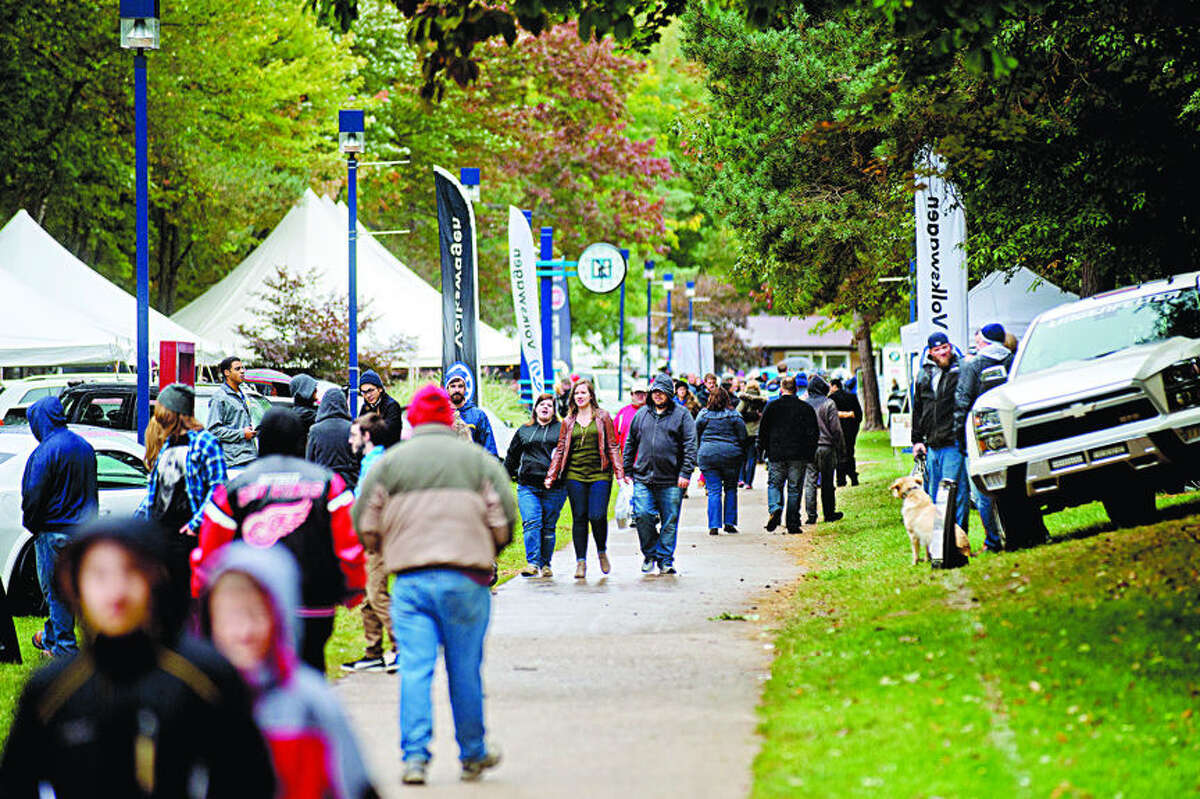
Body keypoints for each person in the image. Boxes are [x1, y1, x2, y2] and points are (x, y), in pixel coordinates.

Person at [0, 518, 276, 798]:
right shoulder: (52, 688)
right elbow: (17, 782)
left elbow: (249, 779)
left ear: (156, 580)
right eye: (99, 576)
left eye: (131, 572)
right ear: (74, 586)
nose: (116, 593)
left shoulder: (205, 677)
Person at [352, 384, 515, 785]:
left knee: (415, 668)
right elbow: (504, 520)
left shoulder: (389, 464)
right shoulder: (478, 461)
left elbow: (365, 522)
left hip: (410, 580)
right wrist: (487, 547)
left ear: (413, 420)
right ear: (448, 417)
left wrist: (387, 548)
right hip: (466, 579)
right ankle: (473, 752)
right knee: (465, 669)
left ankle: (414, 757)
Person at [200, 543, 379, 799]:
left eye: (257, 615)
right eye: (229, 618)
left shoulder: (313, 705)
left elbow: (355, 785)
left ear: (281, 618)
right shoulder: (198, 697)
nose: (244, 633)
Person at [194, 408, 366, 673]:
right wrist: (353, 589)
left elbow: (210, 555)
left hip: (252, 606)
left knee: (255, 678)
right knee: (311, 669)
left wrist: (204, 599)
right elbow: (349, 546)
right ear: (302, 440)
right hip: (314, 603)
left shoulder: (234, 489)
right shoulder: (329, 485)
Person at [135, 383, 227, 613]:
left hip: (187, 538)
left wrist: (195, 525)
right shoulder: (167, 445)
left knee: (186, 602)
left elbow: (219, 490)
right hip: (160, 536)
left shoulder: (205, 443)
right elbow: (153, 493)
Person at [22, 396, 98, 658]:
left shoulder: (44, 452)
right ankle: (52, 636)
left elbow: (33, 495)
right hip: (83, 530)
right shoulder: (84, 447)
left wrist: (32, 524)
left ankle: (63, 648)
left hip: (53, 531)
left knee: (56, 591)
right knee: (76, 589)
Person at [545, 379, 623, 579]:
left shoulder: (603, 416)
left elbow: (613, 446)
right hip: (575, 474)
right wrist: (552, 475)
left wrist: (620, 474)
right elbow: (561, 448)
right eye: (576, 393)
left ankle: (601, 551)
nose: (579, 396)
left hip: (600, 474)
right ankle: (581, 562)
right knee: (579, 516)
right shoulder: (568, 421)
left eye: (583, 393)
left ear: (591, 396)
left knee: (597, 516)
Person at [622, 373, 697, 575]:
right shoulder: (642, 415)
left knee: (670, 521)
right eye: (655, 391)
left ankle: (665, 559)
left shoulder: (682, 416)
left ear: (669, 394)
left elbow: (690, 445)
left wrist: (686, 472)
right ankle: (650, 553)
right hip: (643, 478)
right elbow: (630, 443)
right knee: (642, 515)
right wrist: (626, 469)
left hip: (672, 479)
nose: (657, 395)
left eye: (662, 392)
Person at [342, 412, 399, 672]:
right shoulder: (370, 462)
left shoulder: (378, 465)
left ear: (366, 436)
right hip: (367, 537)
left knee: (377, 595)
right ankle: (373, 651)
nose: (349, 440)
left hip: (377, 539)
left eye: (354, 435)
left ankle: (403, 648)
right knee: (367, 596)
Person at [956, 323, 1016, 552]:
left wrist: (959, 436)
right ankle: (1024, 531)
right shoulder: (1015, 361)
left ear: (984, 341)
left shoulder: (974, 365)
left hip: (980, 435)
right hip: (1012, 432)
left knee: (982, 493)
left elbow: (962, 401)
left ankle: (993, 540)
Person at [911, 331, 969, 534]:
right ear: (931, 352)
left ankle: (960, 538)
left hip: (953, 441)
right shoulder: (923, 374)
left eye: (945, 347)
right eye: (937, 349)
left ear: (950, 347)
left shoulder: (961, 369)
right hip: (931, 445)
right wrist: (917, 440)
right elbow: (918, 408)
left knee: (956, 492)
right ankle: (940, 540)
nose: (943, 352)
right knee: (935, 496)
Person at [505, 394, 567, 577]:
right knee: (532, 522)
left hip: (555, 488)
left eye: (550, 405)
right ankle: (532, 563)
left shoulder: (562, 430)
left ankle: (546, 564)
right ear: (535, 408)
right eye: (542, 404)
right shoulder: (524, 430)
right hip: (527, 487)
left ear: (554, 410)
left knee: (548, 526)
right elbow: (511, 457)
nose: (545, 407)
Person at [757, 376, 818, 535]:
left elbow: (763, 431)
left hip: (776, 453)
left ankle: (775, 508)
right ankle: (792, 522)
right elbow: (813, 433)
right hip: (798, 454)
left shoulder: (772, 407)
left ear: (781, 389)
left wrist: (762, 450)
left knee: (775, 484)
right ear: (796, 389)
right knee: (794, 488)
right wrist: (810, 454)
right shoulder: (805, 408)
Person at [695, 387, 748, 535]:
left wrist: (699, 452)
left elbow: (695, 435)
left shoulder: (703, 415)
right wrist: (740, 453)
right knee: (731, 488)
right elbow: (743, 437)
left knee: (713, 490)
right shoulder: (734, 415)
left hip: (708, 455)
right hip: (731, 456)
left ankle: (714, 524)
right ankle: (729, 523)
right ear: (727, 399)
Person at [803, 375, 846, 524]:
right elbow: (836, 429)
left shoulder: (804, 404)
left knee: (810, 481)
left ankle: (811, 515)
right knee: (827, 481)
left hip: (808, 447)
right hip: (826, 446)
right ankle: (829, 513)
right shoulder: (829, 404)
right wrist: (841, 448)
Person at [208, 355, 258, 468]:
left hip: (251, 457)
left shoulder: (243, 394)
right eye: (237, 369)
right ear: (227, 372)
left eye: (242, 368)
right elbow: (213, 430)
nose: (242, 371)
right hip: (234, 461)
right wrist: (242, 433)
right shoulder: (220, 398)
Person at [307, 387, 359, 492]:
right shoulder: (352, 428)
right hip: (349, 483)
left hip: (324, 482)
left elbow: (310, 461)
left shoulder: (315, 430)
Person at [446, 375, 498, 456]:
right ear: (447, 389)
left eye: (460, 386)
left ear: (465, 389)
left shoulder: (478, 415)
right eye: (453, 386)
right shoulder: (441, 415)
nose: (457, 390)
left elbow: (489, 448)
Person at [829, 377, 863, 487]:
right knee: (850, 452)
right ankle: (853, 476)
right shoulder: (852, 396)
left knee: (839, 454)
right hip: (851, 429)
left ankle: (841, 479)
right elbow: (859, 415)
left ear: (834, 386)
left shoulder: (831, 398)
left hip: (837, 430)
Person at [359, 369, 405, 447]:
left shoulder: (392, 406)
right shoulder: (365, 407)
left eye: (370, 390)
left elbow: (391, 433)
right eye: (364, 392)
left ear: (380, 389)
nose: (368, 395)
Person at [737, 381, 766, 488]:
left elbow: (738, 413)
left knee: (742, 457)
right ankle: (749, 482)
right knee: (752, 458)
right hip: (756, 432)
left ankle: (741, 479)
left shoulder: (744, 400)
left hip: (744, 431)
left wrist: (748, 416)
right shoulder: (761, 401)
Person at [614, 383, 648, 453]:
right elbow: (614, 440)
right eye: (637, 393)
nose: (640, 396)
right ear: (632, 395)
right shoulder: (622, 413)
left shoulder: (653, 413)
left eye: (643, 393)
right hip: (627, 459)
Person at [289, 373, 320, 445]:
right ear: (305, 390)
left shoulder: (304, 410)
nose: (316, 390)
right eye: (313, 388)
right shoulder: (304, 414)